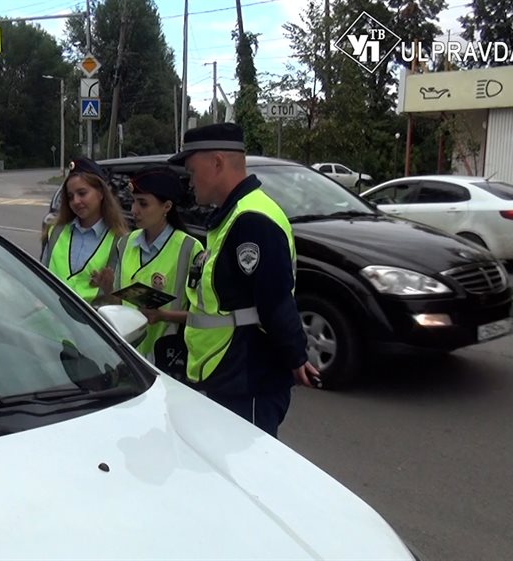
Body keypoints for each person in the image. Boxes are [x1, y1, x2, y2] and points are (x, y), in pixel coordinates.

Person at [168, 122, 319, 438]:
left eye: (193, 171)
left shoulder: (252, 221)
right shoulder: (234, 214)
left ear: (218, 163)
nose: (190, 181)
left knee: (246, 476)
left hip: (248, 377)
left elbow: (275, 300)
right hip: (228, 372)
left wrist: (296, 357)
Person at [103, 166, 203, 364]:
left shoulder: (189, 248)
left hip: (169, 356)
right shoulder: (125, 243)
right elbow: (118, 305)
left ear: (167, 206)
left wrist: (164, 315)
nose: (134, 211)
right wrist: (107, 289)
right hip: (127, 355)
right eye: (133, 202)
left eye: (143, 204)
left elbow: (202, 315)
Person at [40, 157, 128, 305]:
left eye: (82, 193)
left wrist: (109, 289)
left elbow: (122, 305)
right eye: (70, 196)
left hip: (91, 325)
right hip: (53, 319)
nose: (75, 201)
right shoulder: (54, 232)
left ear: (101, 193)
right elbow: (41, 281)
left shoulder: (120, 241)